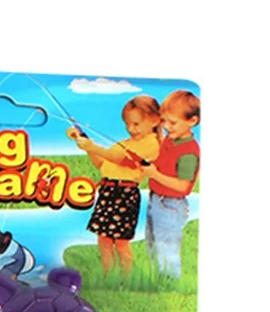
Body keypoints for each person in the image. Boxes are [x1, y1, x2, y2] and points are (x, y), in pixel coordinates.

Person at [68, 95, 161, 276]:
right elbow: (102, 164)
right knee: (103, 238)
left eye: (136, 124)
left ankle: (126, 278)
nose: (131, 129)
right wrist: (87, 146)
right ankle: (108, 275)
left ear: (155, 120)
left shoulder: (152, 144)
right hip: (108, 191)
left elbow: (122, 160)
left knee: (121, 241)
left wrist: (94, 147)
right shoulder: (123, 144)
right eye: (127, 124)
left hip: (125, 194)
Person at [142, 90, 201, 279]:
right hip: (156, 200)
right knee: (152, 242)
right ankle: (158, 280)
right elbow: (163, 157)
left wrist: (154, 174)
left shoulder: (189, 152)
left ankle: (170, 281)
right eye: (164, 121)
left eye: (172, 122)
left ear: (192, 121)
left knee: (167, 246)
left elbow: (183, 187)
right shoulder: (171, 138)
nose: (167, 126)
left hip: (170, 205)